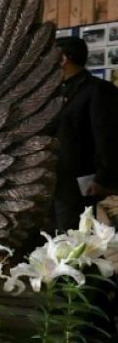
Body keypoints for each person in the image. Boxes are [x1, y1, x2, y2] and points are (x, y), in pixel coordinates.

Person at [53, 37, 118, 230]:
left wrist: (103, 178)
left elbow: (109, 137)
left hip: (80, 183)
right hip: (53, 182)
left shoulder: (99, 90)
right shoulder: (54, 91)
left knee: (74, 240)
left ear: (63, 58)